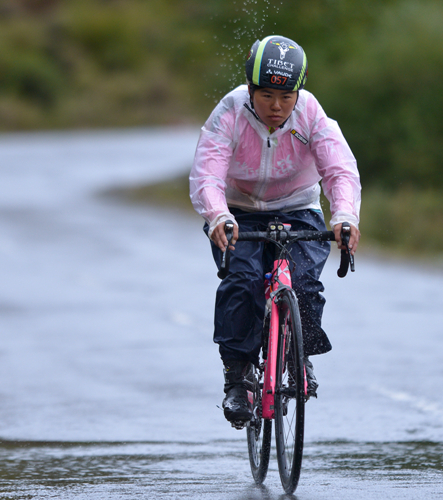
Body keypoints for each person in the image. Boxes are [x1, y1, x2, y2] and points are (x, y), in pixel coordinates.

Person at [189, 35, 361, 425]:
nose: (277, 107)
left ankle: (300, 357)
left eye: (287, 97)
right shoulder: (230, 112)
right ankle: (237, 377)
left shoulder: (311, 113)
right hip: (238, 211)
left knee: (303, 282)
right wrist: (217, 215)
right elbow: (207, 172)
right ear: (249, 88)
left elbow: (339, 169)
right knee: (243, 279)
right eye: (266, 96)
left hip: (298, 207)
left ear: (298, 92)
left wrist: (344, 217)